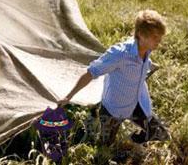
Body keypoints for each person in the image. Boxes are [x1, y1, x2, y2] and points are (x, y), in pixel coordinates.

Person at [57, 10, 170, 146]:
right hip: (113, 111)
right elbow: (91, 73)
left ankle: (135, 139)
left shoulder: (147, 50)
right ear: (140, 34)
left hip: (136, 104)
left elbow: (143, 63)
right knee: (105, 148)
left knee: (161, 133)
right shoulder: (119, 54)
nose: (159, 41)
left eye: (160, 37)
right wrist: (69, 96)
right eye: (155, 37)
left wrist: (151, 65)